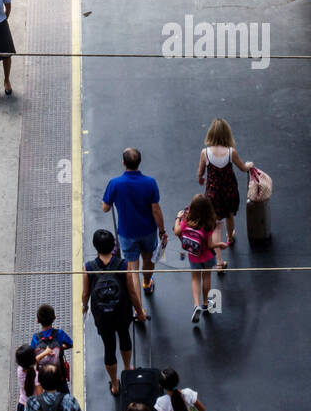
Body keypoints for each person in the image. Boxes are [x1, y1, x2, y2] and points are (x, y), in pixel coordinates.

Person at [102, 148, 168, 311]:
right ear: (139, 162)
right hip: (148, 230)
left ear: (123, 163)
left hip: (127, 232)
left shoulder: (115, 183)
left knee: (132, 267)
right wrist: (162, 230)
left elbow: (105, 208)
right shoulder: (150, 182)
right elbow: (156, 210)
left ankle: (139, 310)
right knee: (148, 259)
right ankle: (147, 283)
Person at [82, 228, 146, 395]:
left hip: (103, 316)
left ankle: (115, 384)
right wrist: (139, 311)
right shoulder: (123, 265)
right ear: (113, 246)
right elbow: (132, 292)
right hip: (122, 312)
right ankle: (127, 368)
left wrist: (85, 306)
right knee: (124, 337)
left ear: (95, 246)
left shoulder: (89, 267)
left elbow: (85, 293)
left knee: (108, 347)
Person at [197, 118, 253, 270]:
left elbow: (200, 173)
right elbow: (242, 167)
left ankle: (219, 262)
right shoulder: (230, 152)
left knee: (216, 226)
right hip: (229, 190)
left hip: (213, 193)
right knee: (229, 215)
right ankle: (230, 236)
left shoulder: (205, 153)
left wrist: (201, 179)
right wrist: (249, 165)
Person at [174, 194, 225, 324]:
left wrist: (178, 218)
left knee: (195, 278)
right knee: (206, 278)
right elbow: (209, 245)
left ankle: (196, 305)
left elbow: (177, 232)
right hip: (207, 256)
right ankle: (206, 303)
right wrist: (219, 245)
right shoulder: (209, 224)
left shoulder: (187, 221)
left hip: (194, 256)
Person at [30, 303, 74, 394]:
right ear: (54, 318)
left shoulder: (36, 338)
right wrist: (59, 347)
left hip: (43, 377)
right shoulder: (59, 333)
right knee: (65, 395)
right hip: (59, 375)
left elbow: (32, 356)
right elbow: (70, 344)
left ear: (38, 321)